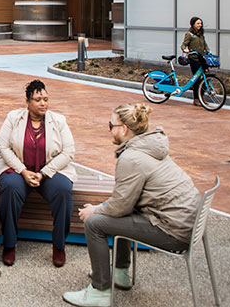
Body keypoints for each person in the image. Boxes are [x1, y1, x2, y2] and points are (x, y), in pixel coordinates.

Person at [62, 103, 201, 307]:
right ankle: (120, 273)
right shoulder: (151, 146)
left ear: (124, 129)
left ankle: (100, 291)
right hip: (186, 223)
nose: (109, 129)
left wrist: (95, 210)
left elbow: (119, 207)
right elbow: (125, 202)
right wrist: (104, 207)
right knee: (117, 215)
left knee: (95, 223)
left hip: (173, 232)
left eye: (111, 125)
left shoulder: (132, 157)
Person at [0, 79, 76, 268]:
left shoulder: (59, 120)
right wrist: (23, 171)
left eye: (46, 99)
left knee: (63, 190)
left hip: (49, 171)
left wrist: (44, 173)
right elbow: (2, 146)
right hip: (18, 169)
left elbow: (68, 152)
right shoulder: (13, 118)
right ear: (27, 101)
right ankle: (9, 244)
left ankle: (59, 245)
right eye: (38, 99)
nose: (43, 104)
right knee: (10, 188)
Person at [181, 16, 210, 107]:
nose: (200, 25)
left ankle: (201, 97)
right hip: (194, 59)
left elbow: (205, 44)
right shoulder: (189, 34)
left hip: (202, 59)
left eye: (201, 23)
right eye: (198, 23)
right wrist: (185, 49)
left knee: (205, 79)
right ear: (193, 24)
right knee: (197, 80)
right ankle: (196, 99)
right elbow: (184, 44)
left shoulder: (201, 34)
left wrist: (208, 50)